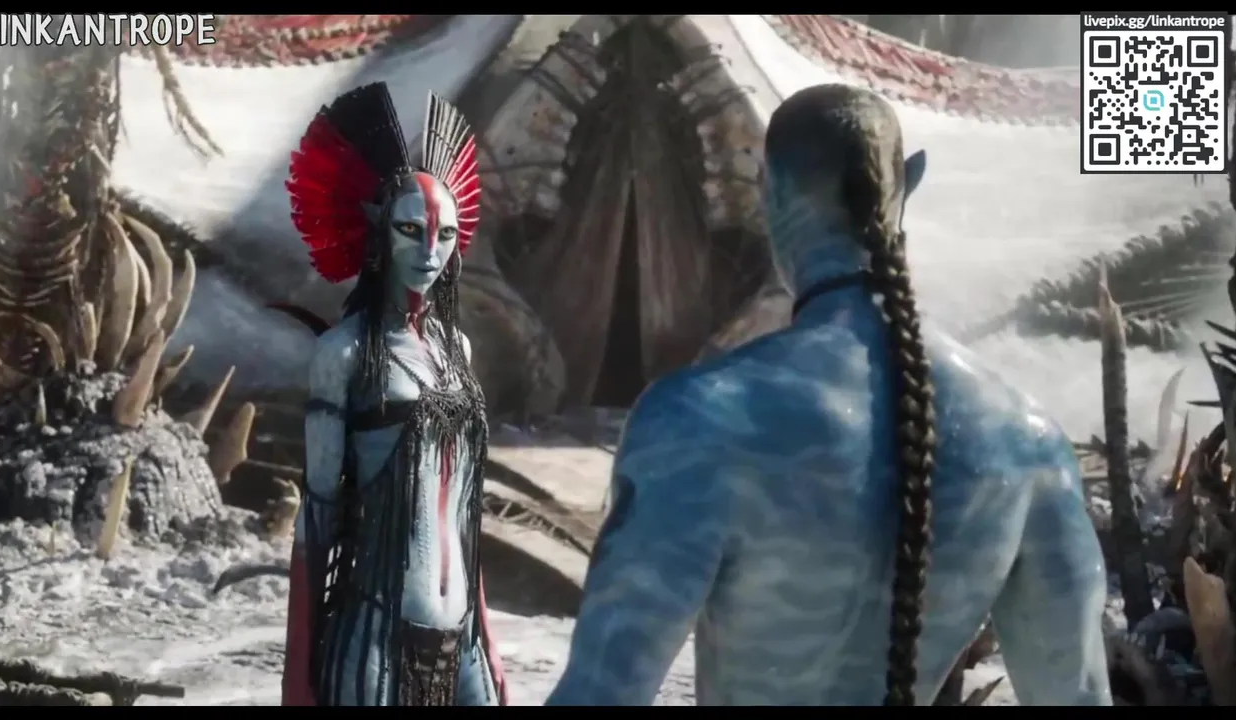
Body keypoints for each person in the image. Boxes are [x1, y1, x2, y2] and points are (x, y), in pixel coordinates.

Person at [545, 84, 1111, 706]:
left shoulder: (701, 418)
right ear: (907, 186)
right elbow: (1077, 694)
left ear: (768, 190)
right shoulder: (1027, 442)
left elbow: (603, 692)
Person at [279, 82, 506, 706]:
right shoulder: (344, 354)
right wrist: (297, 676)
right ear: (379, 231)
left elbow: (464, 519)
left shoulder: (459, 352)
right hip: (371, 643)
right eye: (412, 229)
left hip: (463, 646)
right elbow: (315, 522)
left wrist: (490, 650)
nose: (430, 252)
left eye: (445, 234)